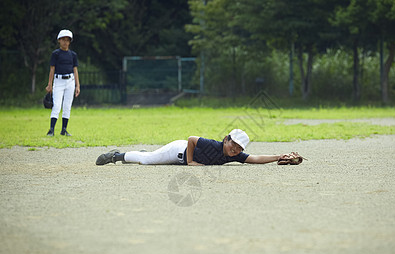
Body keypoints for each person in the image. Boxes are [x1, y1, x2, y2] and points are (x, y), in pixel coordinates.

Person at [95, 129, 298, 166]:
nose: (235, 150)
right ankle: (115, 156)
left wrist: (279, 156)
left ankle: (139, 154)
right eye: (233, 144)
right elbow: (191, 138)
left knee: (151, 157)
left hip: (181, 155)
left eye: (238, 148)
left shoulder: (233, 155)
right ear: (226, 139)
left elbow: (254, 158)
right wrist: (191, 161)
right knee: (147, 161)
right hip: (179, 151)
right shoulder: (215, 145)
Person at [45, 29, 80, 136]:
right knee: (57, 105)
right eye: (63, 39)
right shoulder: (55, 54)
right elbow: (52, 69)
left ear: (70, 42)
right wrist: (49, 84)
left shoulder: (73, 55)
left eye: (67, 40)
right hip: (58, 81)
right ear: (59, 40)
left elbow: (75, 70)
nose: (65, 42)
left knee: (67, 106)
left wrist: (77, 85)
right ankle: (51, 129)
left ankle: (64, 129)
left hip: (70, 81)